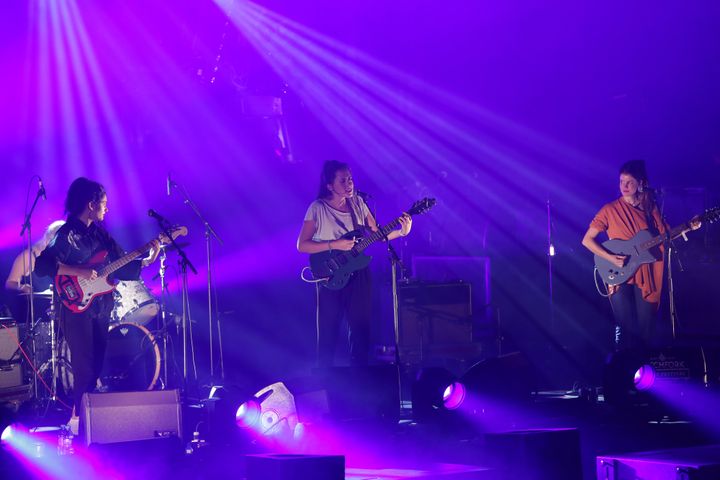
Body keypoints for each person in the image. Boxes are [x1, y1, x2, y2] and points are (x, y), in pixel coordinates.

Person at [34, 177, 160, 425]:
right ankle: (79, 423)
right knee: (85, 366)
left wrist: (150, 256)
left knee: (97, 365)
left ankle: (83, 419)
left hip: (101, 306)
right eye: (103, 203)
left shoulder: (102, 236)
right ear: (90, 204)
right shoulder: (67, 233)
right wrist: (78, 271)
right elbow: (42, 265)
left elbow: (123, 267)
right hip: (74, 306)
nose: (107, 208)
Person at [297, 160, 412, 367]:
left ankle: (360, 377)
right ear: (330, 185)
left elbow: (377, 235)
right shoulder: (317, 208)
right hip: (329, 272)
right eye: (343, 180)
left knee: (361, 329)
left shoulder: (359, 203)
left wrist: (402, 231)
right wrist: (336, 244)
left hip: (359, 272)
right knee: (328, 330)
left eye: (350, 179)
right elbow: (302, 245)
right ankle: (324, 380)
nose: (349, 184)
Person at [581, 160, 700, 350]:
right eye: (621, 181)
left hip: (646, 273)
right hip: (619, 274)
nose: (624, 186)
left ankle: (643, 373)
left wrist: (689, 226)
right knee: (625, 327)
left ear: (641, 183)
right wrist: (611, 258)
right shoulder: (609, 210)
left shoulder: (650, 210)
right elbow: (587, 240)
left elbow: (665, 236)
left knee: (646, 330)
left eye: (629, 182)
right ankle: (622, 370)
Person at [5, 220, 65, 322]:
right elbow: (9, 283)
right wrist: (22, 287)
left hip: (60, 315)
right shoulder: (29, 256)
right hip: (37, 318)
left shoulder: (61, 257)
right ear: (50, 239)